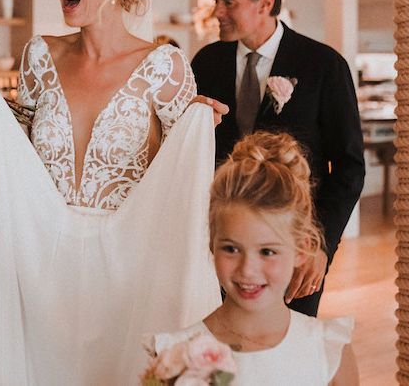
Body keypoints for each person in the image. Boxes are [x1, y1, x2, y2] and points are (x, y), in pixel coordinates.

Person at [0, 0, 224, 385]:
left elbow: (183, 178)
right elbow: (20, 141)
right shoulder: (39, 56)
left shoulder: (163, 66)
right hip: (38, 263)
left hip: (126, 273)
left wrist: (199, 123)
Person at [191, 0, 365, 317]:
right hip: (220, 247)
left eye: (227, 1)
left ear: (265, 2)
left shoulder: (323, 65)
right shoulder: (206, 63)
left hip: (293, 249)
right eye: (215, 1)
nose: (217, 12)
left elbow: (349, 169)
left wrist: (319, 246)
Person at [150, 131, 359, 385]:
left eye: (267, 252)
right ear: (212, 242)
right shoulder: (174, 357)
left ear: (301, 250)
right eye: (231, 249)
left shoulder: (329, 352)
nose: (247, 270)